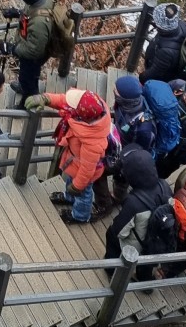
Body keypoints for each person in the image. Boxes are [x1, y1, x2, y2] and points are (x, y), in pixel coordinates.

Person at [26, 86, 112, 226]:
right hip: (73, 162)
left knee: (84, 195)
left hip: (84, 173)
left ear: (81, 114)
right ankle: (69, 197)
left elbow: (87, 170)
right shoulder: (95, 106)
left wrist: (78, 186)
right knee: (69, 182)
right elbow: (65, 100)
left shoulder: (93, 143)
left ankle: (80, 216)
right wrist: (46, 98)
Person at [104, 147, 175, 263]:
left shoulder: (134, 202)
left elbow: (119, 231)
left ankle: (112, 269)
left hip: (137, 247)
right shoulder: (164, 185)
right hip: (158, 239)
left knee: (111, 234)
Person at [4, 0, 57, 107]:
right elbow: (30, 12)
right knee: (28, 77)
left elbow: (34, 50)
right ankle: (25, 87)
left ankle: (28, 103)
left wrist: (11, 49)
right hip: (36, 46)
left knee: (28, 79)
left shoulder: (39, 23)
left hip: (34, 56)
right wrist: (17, 13)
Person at [141, 4, 186, 84]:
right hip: (169, 68)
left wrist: (142, 77)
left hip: (162, 78)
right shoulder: (182, 26)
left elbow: (155, 72)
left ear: (162, 25)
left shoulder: (166, 51)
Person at [111, 75, 156, 156]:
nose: (113, 90)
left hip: (125, 149)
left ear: (125, 98)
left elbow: (141, 151)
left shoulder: (144, 128)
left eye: (116, 91)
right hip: (118, 135)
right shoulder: (124, 103)